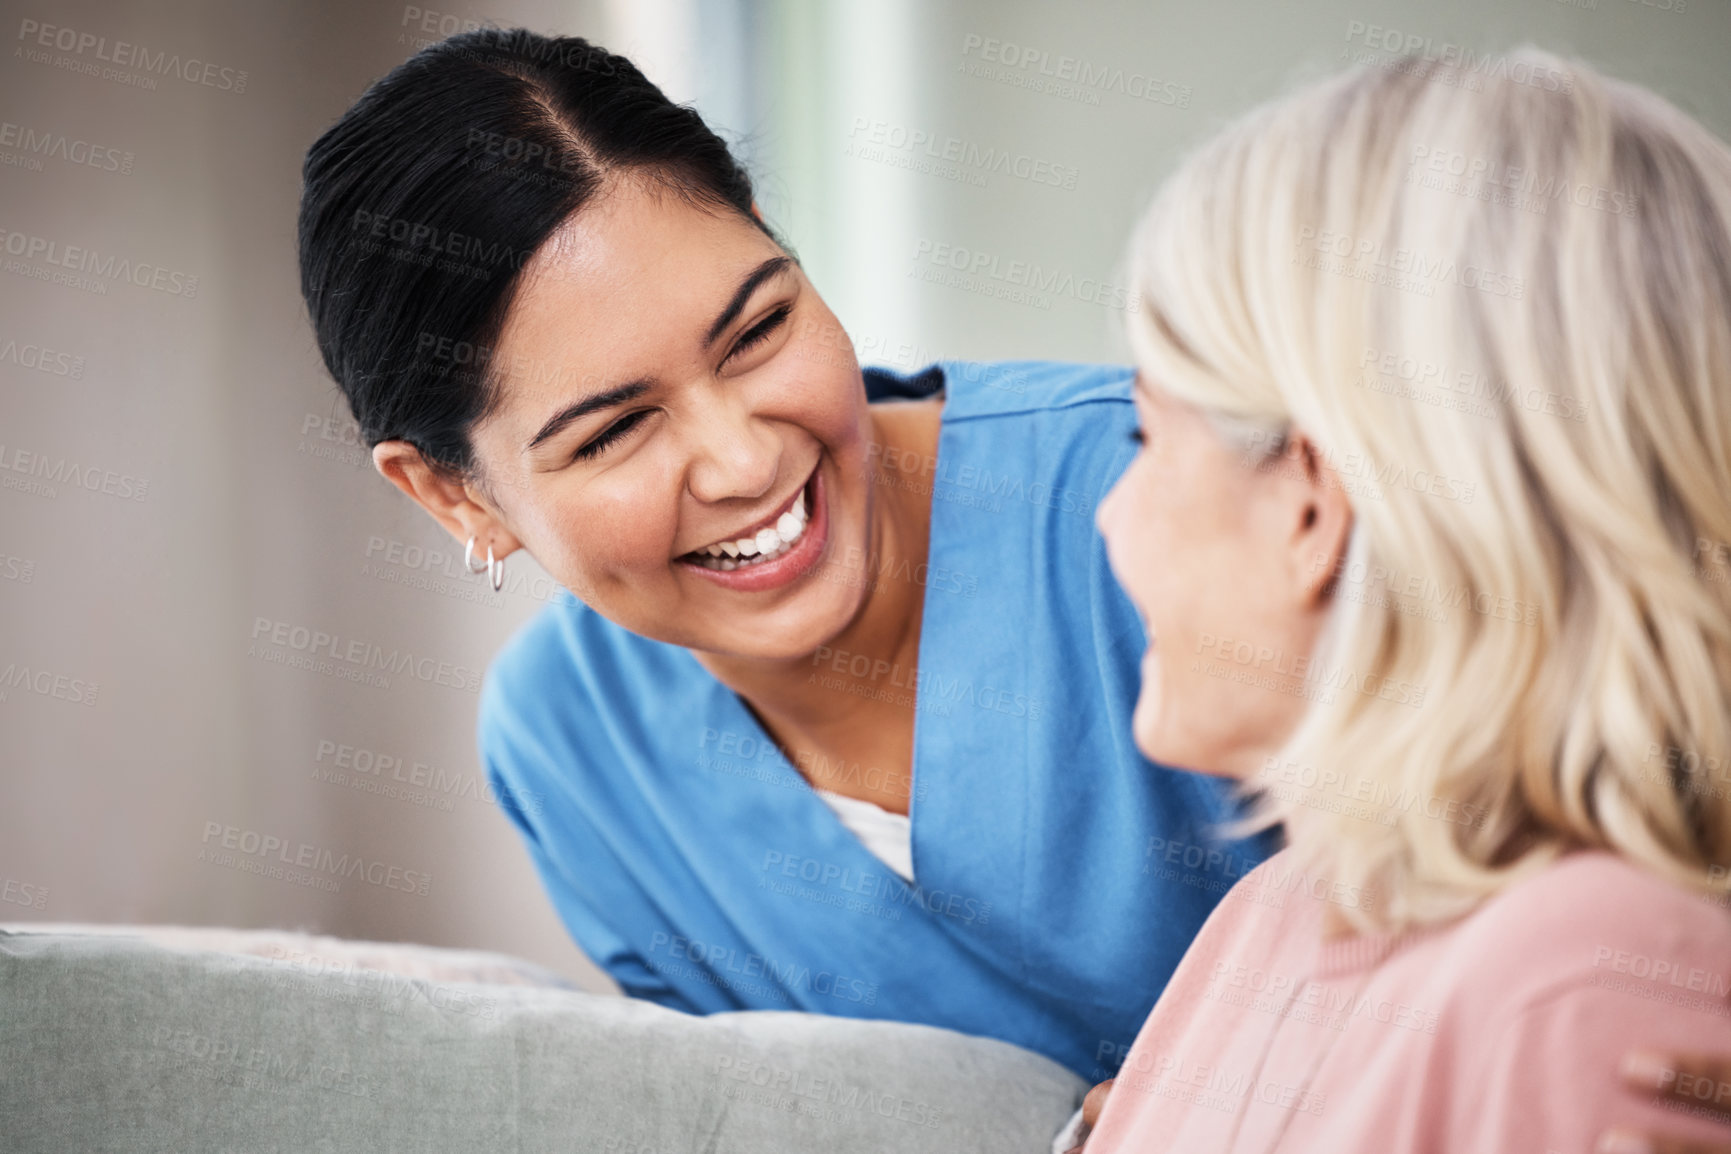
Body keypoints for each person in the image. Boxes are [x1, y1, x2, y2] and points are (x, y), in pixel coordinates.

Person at [296, 27, 1275, 1082]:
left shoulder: (1171, 486)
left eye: (757, 330)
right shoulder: (572, 749)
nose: (743, 458)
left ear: (774, 238)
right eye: (615, 430)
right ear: (452, 494)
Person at [1071, 47, 1731, 1152]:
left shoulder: (1590, 981)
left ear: (1311, 505)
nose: (1107, 514)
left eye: (1148, 437)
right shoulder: (1273, 912)